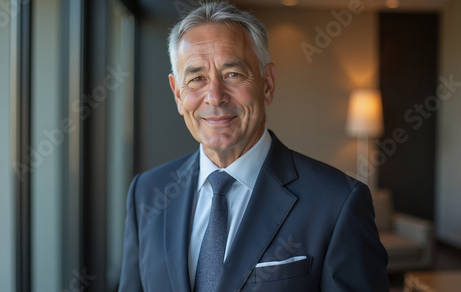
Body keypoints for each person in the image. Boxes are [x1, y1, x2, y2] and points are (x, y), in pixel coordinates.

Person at [118, 2, 388, 292]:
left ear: (267, 84)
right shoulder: (147, 193)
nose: (215, 96)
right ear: (177, 94)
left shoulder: (337, 203)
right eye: (197, 79)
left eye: (232, 74)